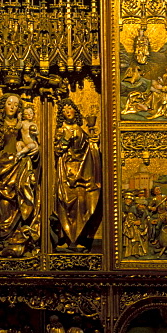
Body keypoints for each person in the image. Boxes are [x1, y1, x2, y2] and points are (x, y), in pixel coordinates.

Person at [0, 93, 41, 257]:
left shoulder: (22, 124)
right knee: (4, 201)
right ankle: (4, 236)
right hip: (4, 165)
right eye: (9, 103)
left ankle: (19, 236)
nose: (12, 107)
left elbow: (31, 141)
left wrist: (35, 149)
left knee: (21, 200)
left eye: (15, 105)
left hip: (21, 164)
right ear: (3, 106)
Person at [53, 99, 101, 250]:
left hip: (83, 171)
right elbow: (58, 150)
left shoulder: (81, 129)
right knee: (67, 202)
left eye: (70, 109)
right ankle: (67, 239)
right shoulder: (61, 129)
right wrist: (66, 140)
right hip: (67, 170)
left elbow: (89, 148)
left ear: (75, 111)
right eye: (64, 111)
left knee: (82, 202)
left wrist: (94, 142)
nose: (68, 112)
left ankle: (79, 237)